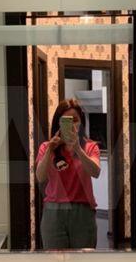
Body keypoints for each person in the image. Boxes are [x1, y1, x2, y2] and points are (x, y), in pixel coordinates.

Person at [35, 99, 101, 250]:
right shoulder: (46, 147)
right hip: (54, 212)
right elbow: (40, 177)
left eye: (75, 120)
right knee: (55, 260)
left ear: (82, 122)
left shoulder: (90, 147)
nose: (71, 125)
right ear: (58, 123)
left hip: (82, 212)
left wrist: (78, 148)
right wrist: (50, 150)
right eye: (66, 120)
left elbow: (96, 172)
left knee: (83, 260)